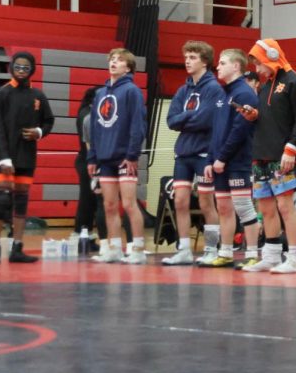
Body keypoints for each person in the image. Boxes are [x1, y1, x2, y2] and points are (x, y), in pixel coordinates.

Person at [244, 38, 296, 274]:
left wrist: (291, 149)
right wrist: (253, 115)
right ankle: (272, 256)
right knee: (265, 208)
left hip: (282, 156)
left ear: (271, 56)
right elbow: (268, 118)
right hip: (260, 155)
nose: (257, 69)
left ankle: (294, 259)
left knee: (285, 206)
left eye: (258, 63)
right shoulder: (265, 86)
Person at [0, 52, 55, 264]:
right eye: (18, 66)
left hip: (26, 156)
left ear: (32, 70)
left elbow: (49, 121)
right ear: (12, 67)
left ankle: (17, 248)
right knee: (2, 199)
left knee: (22, 201)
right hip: (5, 157)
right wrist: (4, 157)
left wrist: (39, 133)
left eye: (26, 68)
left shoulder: (38, 95)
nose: (22, 70)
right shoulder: (3, 93)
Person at [162, 41, 224, 266]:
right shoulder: (182, 90)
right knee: (180, 201)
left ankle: (210, 249)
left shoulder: (214, 88)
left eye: (193, 57)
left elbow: (207, 118)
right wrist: (191, 117)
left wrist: (185, 118)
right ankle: (184, 250)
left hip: (204, 153)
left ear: (205, 61)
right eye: (186, 56)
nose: (187, 61)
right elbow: (171, 120)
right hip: (183, 152)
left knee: (207, 203)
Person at [199, 48, 262, 268]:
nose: (218, 66)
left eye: (223, 63)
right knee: (223, 207)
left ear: (236, 66)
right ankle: (225, 252)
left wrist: (222, 158)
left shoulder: (245, 94)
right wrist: (210, 160)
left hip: (237, 161)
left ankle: (252, 253)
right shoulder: (222, 94)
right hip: (219, 162)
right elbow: (216, 132)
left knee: (243, 207)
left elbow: (239, 130)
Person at [87, 48, 148, 264]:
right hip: (105, 157)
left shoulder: (131, 91)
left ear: (128, 67)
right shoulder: (100, 94)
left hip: (124, 156)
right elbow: (94, 127)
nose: (114, 62)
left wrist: (132, 155)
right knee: (109, 205)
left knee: (130, 204)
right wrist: (92, 157)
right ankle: (113, 248)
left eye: (119, 60)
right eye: (112, 59)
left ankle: (138, 249)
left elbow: (137, 124)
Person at [73, 86, 100, 239]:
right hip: (87, 161)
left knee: (90, 201)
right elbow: (89, 143)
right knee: (86, 200)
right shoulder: (87, 116)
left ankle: (86, 233)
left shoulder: (88, 113)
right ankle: (80, 234)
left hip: (86, 160)